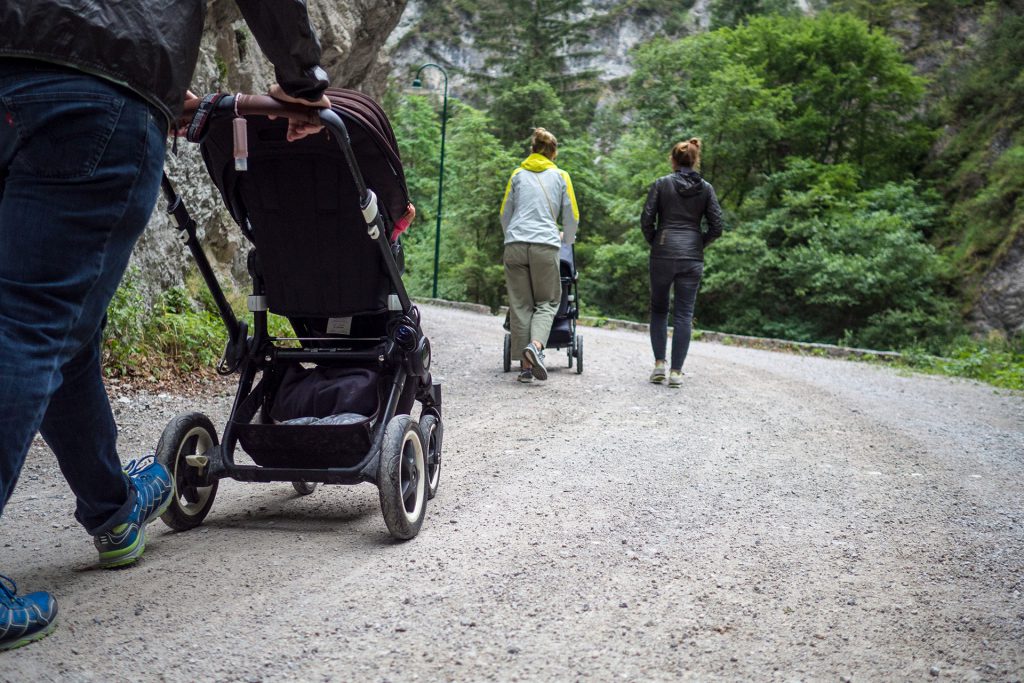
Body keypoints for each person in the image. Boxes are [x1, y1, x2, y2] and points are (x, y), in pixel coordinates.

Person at [0, 0, 330, 651]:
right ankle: (113, 507)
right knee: (33, 325)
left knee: (67, 326)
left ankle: (115, 510)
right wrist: (301, 81)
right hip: (99, 94)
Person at [640, 138, 723, 388]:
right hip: (691, 257)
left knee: (658, 309)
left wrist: (657, 241)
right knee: (684, 315)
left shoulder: (661, 184)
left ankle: (658, 366)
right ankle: (676, 372)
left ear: (673, 160)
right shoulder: (706, 188)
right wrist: (698, 242)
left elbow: (646, 220)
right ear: (696, 160)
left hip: (663, 254)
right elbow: (717, 226)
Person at [500, 127, 579, 384]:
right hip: (545, 244)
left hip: (515, 244)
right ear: (553, 153)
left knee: (520, 304)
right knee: (547, 302)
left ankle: (525, 368)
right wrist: (566, 240)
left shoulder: (517, 175)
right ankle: (536, 346)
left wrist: (510, 236)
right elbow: (572, 216)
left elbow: (505, 213)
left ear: (532, 150)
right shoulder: (561, 176)